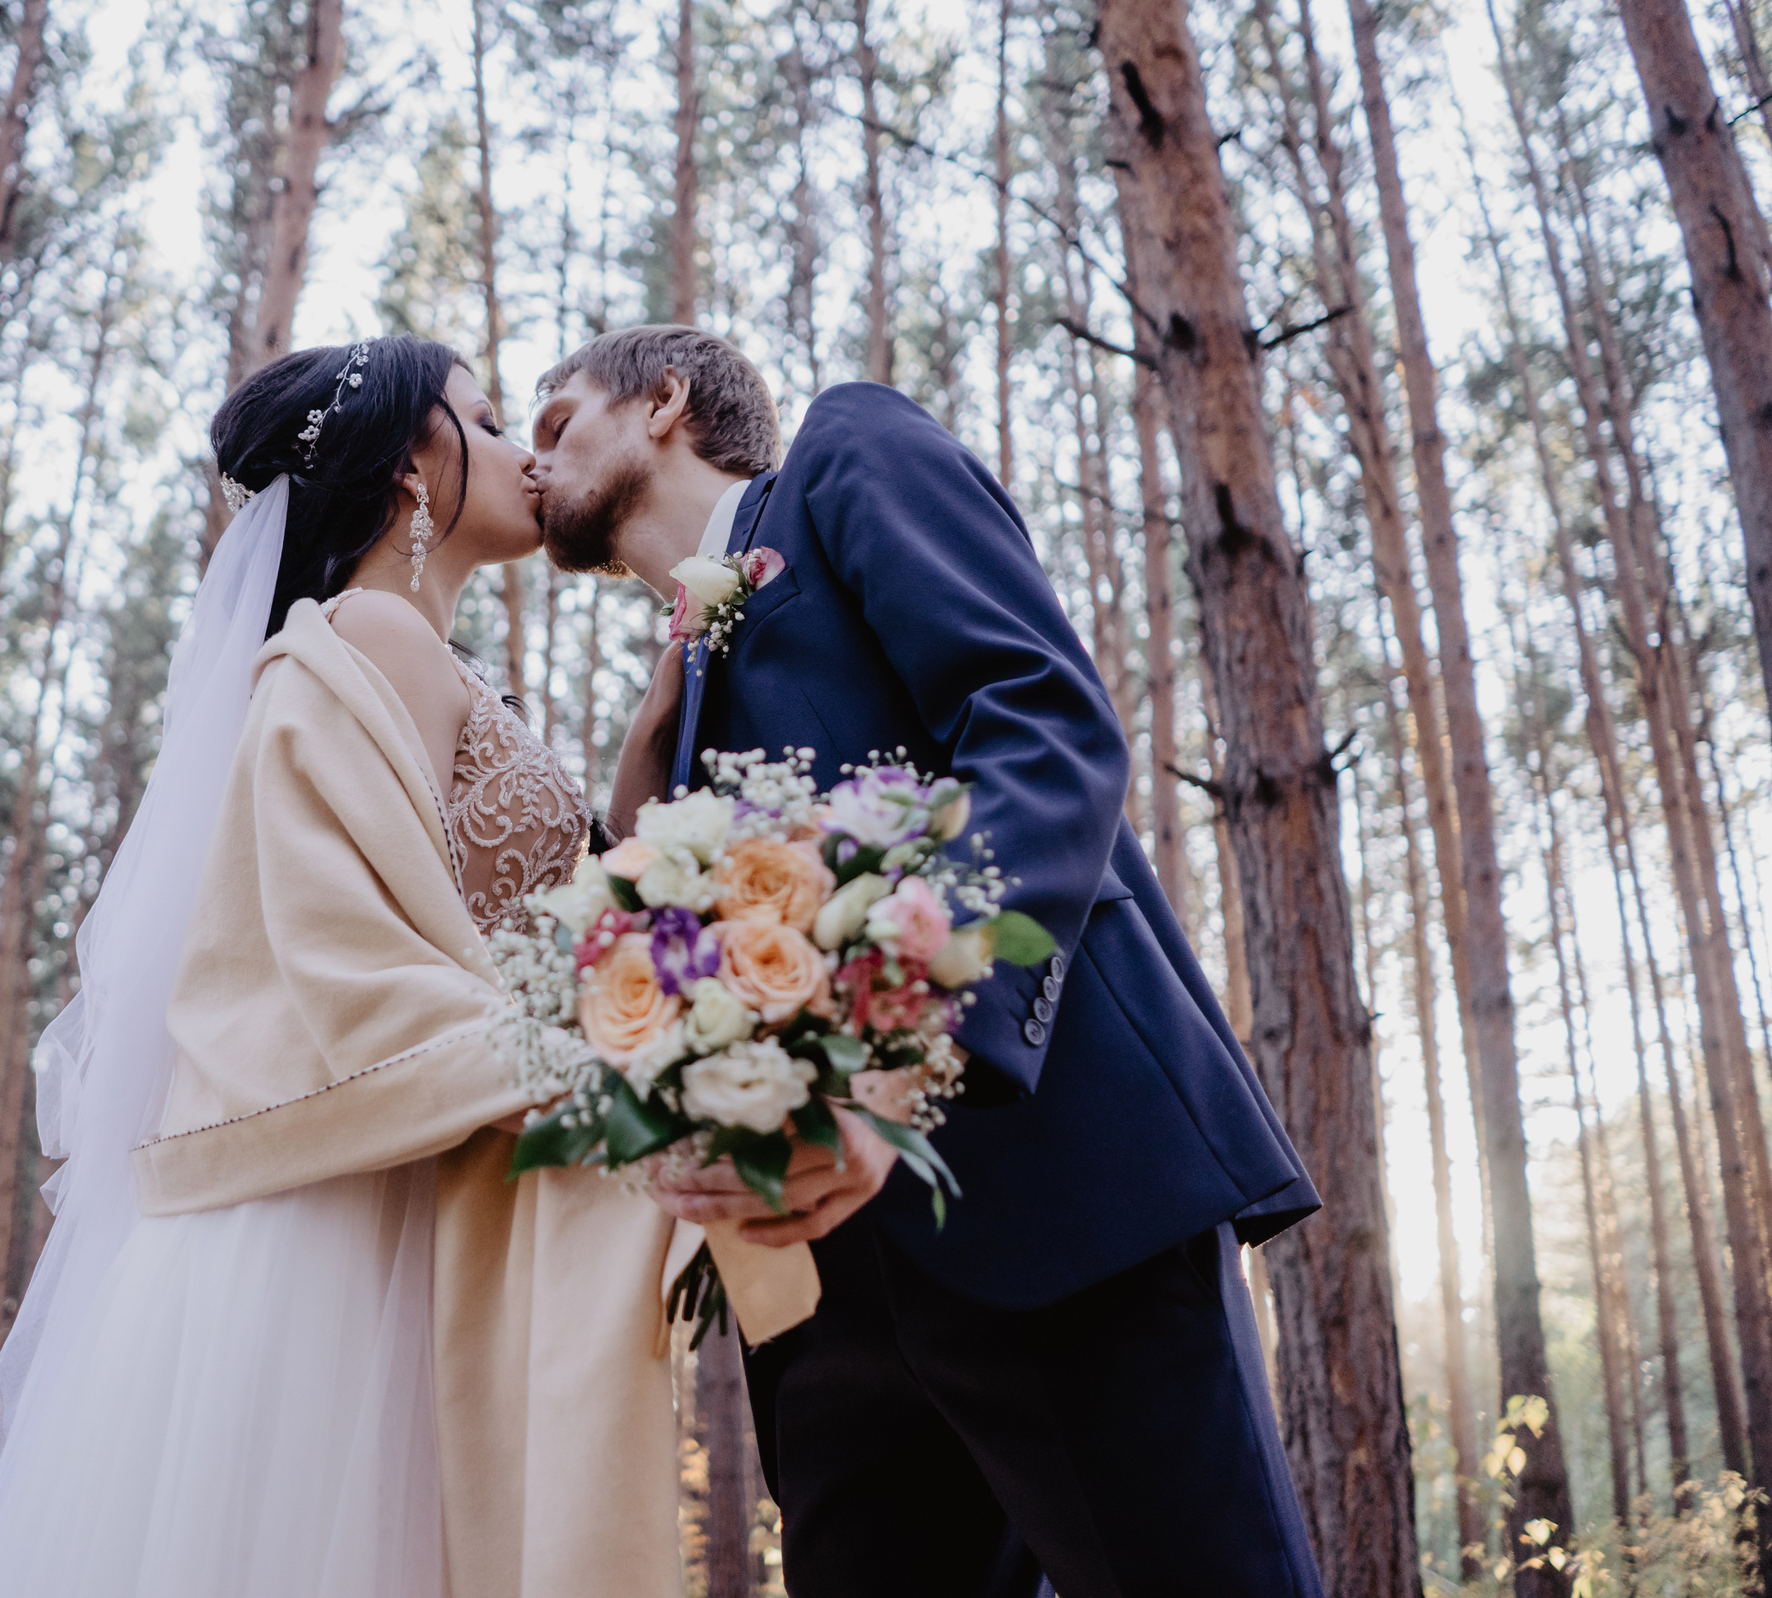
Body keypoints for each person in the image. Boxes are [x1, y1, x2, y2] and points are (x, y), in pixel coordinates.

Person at [530, 324, 1326, 1598]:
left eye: (556, 417)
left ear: (664, 399)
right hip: (819, 1305)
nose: (532, 460)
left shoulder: (850, 449)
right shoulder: (671, 704)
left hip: (1054, 1185)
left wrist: (904, 1062)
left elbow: (1041, 727)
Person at [0, 337, 680, 1598]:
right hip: (346, 1226)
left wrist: (652, 735)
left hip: (408, 1176)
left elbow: (508, 916)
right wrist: (586, 1057)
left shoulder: (408, 654)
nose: (525, 458)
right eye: (489, 424)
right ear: (407, 470)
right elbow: (339, 949)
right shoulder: (360, 637)